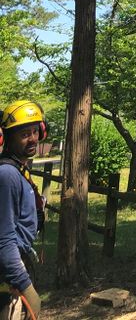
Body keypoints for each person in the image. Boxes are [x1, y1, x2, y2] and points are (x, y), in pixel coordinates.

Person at [0, 101, 46, 320]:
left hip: (16, 268)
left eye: (35, 131)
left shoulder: (19, 169)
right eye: (24, 134)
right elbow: (4, 238)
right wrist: (25, 286)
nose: (33, 138)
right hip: (7, 278)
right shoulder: (7, 175)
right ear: (6, 138)